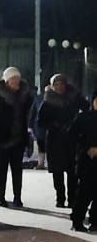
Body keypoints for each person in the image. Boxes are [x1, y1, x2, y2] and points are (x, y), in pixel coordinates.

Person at [0, 66, 34, 208]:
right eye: (12, 79)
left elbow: (30, 111)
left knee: (17, 168)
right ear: (6, 81)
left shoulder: (25, 94)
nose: (15, 81)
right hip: (1, 138)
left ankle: (17, 197)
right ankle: (1, 197)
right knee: (2, 166)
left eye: (17, 78)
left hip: (18, 137)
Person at [38, 73, 85, 208]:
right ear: (52, 86)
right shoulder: (47, 102)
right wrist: (54, 125)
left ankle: (72, 198)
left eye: (61, 84)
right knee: (57, 172)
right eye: (56, 84)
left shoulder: (74, 97)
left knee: (72, 172)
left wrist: (78, 123)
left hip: (72, 139)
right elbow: (41, 121)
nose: (59, 87)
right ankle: (60, 197)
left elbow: (87, 107)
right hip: (55, 140)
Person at [69, 88, 97, 232]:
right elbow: (72, 136)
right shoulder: (84, 118)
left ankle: (95, 221)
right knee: (84, 193)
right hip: (87, 161)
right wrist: (87, 148)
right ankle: (77, 220)